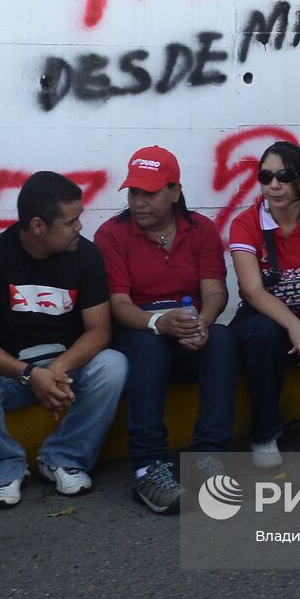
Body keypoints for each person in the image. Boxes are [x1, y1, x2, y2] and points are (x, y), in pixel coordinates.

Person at [0, 171, 126, 507]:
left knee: (113, 365)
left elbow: (100, 330)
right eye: (71, 221)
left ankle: (64, 458)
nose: (79, 227)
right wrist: (30, 375)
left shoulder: (86, 256)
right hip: (10, 375)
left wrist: (57, 369)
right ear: (38, 226)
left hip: (65, 372)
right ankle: (4, 469)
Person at [94, 146, 238, 514]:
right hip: (138, 335)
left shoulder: (201, 229)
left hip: (188, 332)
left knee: (222, 339)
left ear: (175, 192)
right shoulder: (111, 235)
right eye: (133, 193)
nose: (139, 202)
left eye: (150, 193)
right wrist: (159, 322)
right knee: (149, 345)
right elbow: (118, 304)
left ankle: (208, 458)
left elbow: (215, 290)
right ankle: (148, 465)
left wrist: (202, 323)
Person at [228, 141, 300, 468]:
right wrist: (294, 326)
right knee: (263, 333)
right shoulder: (246, 223)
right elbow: (253, 291)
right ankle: (264, 434)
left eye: (284, 175)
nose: (274, 185)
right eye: (266, 176)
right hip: (265, 318)